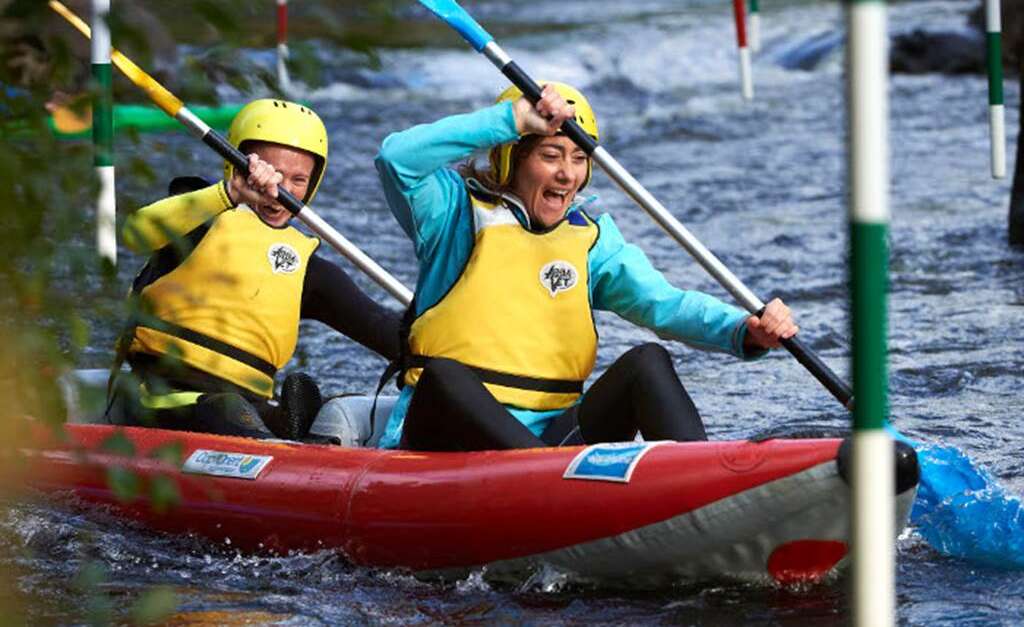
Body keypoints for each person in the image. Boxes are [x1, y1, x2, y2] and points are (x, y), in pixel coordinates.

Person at [374, 82, 798, 451]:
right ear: (510, 158)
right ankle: (539, 479)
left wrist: (744, 330)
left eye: (579, 159)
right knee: (444, 377)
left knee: (647, 362)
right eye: (551, 154)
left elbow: (664, 305)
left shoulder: (591, 238)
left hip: (551, 437)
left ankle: (705, 489)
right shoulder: (451, 211)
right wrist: (512, 119)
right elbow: (397, 158)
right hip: (444, 437)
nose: (567, 174)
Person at [110, 98, 400, 440]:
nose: (282, 190)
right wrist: (231, 193)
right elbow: (134, 233)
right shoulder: (199, 214)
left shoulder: (306, 266)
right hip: (159, 398)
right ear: (237, 164)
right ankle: (275, 446)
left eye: (298, 179)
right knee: (229, 410)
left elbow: (382, 328)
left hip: (247, 408)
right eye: (272, 173)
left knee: (295, 410)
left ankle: (293, 443)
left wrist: (452, 354)